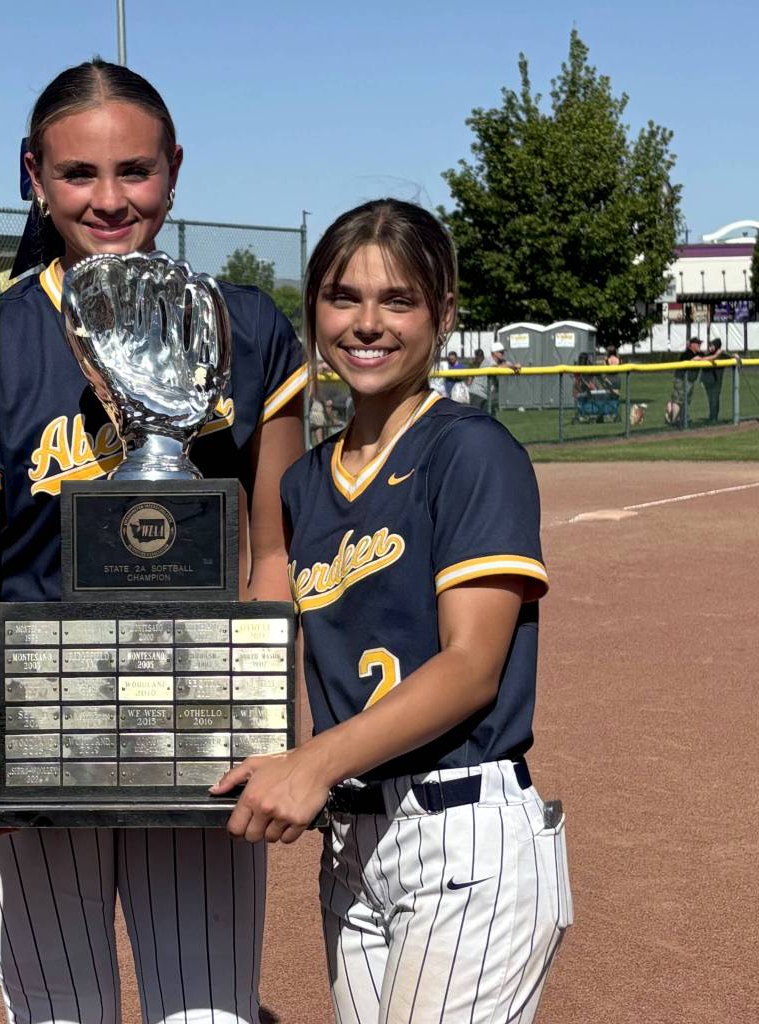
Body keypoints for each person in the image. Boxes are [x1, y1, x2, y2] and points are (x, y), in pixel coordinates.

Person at [0, 59, 306, 1023]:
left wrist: (264, 709)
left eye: (135, 171)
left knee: (209, 1010)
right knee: (59, 1015)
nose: (109, 199)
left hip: (202, 729)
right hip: (36, 731)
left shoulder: (246, 327)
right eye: (78, 174)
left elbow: (272, 551)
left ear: (174, 168)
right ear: (33, 176)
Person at [213, 199, 572, 1021]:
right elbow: (270, 612)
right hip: (351, 842)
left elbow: (471, 668)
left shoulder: (469, 452)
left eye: (398, 301)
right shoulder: (303, 483)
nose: (366, 324)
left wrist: (312, 763)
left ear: (442, 314)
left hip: (463, 831)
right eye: (343, 298)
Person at [665, 336, 707, 427]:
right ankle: (673, 421)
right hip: (681, 379)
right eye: (698, 343)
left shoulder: (700, 353)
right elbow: (699, 359)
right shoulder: (687, 354)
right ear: (692, 345)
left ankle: (679, 416)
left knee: (686, 401)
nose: (700, 345)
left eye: (700, 343)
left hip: (690, 381)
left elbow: (709, 357)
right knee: (679, 400)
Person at [700, 337, 738, 424]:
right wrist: (701, 380)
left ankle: (714, 418)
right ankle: (712, 417)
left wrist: (735, 356)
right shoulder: (708, 355)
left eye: (712, 346)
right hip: (708, 381)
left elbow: (731, 358)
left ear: (717, 346)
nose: (710, 347)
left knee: (715, 399)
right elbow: (703, 367)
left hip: (717, 381)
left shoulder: (722, 355)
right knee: (711, 399)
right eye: (709, 345)